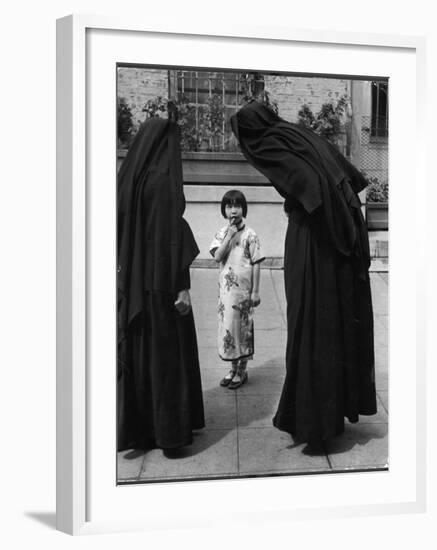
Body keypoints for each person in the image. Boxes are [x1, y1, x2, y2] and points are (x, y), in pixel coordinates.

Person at [230, 101, 377, 449]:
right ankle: (324, 413)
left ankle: (315, 422)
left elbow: (312, 187)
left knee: (311, 322)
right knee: (329, 320)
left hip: (316, 240)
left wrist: (304, 212)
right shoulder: (297, 134)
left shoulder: (272, 142)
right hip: (336, 237)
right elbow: (342, 180)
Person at [117, 116, 205, 454]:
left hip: (137, 285)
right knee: (168, 360)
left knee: (143, 358)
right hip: (163, 286)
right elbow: (170, 236)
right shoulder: (164, 180)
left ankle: (142, 432)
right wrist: (182, 285)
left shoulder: (131, 180)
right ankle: (170, 434)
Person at [209, 190, 265, 389]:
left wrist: (255, 291)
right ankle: (232, 368)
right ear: (224, 210)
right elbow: (217, 257)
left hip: (243, 293)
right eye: (229, 206)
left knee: (243, 330)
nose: (234, 210)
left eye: (238, 206)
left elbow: (257, 262)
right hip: (226, 294)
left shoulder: (251, 234)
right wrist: (230, 236)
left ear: (244, 209)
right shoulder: (221, 233)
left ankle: (242, 369)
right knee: (228, 329)